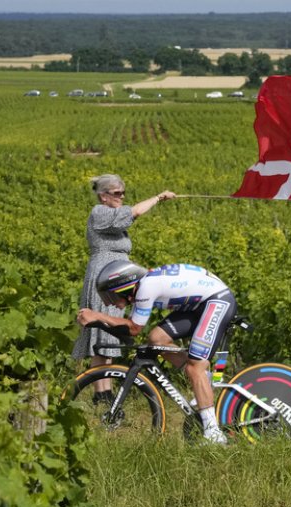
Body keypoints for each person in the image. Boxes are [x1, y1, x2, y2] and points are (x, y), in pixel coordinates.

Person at [77, 260, 237, 444]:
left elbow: (133, 329)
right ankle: (204, 380)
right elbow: (131, 331)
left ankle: (213, 435)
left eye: (113, 298)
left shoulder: (146, 287)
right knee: (156, 340)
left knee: (195, 369)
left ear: (125, 288)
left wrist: (97, 316)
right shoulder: (145, 284)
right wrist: (98, 321)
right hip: (198, 305)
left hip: (217, 301)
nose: (114, 305)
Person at [71, 174, 176, 404]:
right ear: (103, 196)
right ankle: (101, 392)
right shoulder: (99, 212)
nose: (122, 197)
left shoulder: (110, 216)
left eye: (123, 193)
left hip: (117, 277)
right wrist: (158, 197)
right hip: (105, 277)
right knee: (101, 329)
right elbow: (134, 213)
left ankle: (105, 389)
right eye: (117, 193)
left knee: (110, 329)